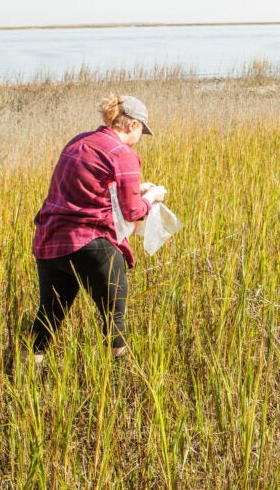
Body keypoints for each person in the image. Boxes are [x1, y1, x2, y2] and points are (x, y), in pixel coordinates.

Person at [27, 94, 166, 368]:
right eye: (141, 131)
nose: (140, 137)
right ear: (132, 126)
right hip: (91, 245)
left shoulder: (79, 141)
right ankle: (117, 380)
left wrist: (137, 190)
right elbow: (132, 212)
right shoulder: (124, 154)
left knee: (49, 316)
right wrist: (153, 197)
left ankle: (28, 373)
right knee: (113, 318)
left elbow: (88, 188)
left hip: (50, 243)